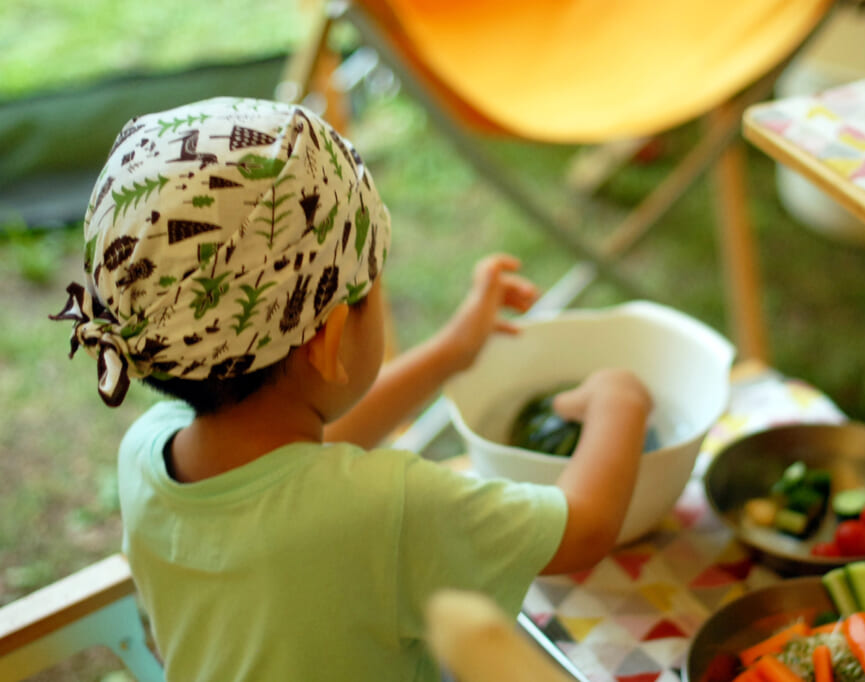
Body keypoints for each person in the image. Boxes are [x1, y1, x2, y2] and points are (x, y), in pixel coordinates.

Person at [51, 97, 651, 681]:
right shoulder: (383, 512)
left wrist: (450, 354)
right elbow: (583, 530)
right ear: (331, 337)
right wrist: (618, 399)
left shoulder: (147, 451)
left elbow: (292, 474)